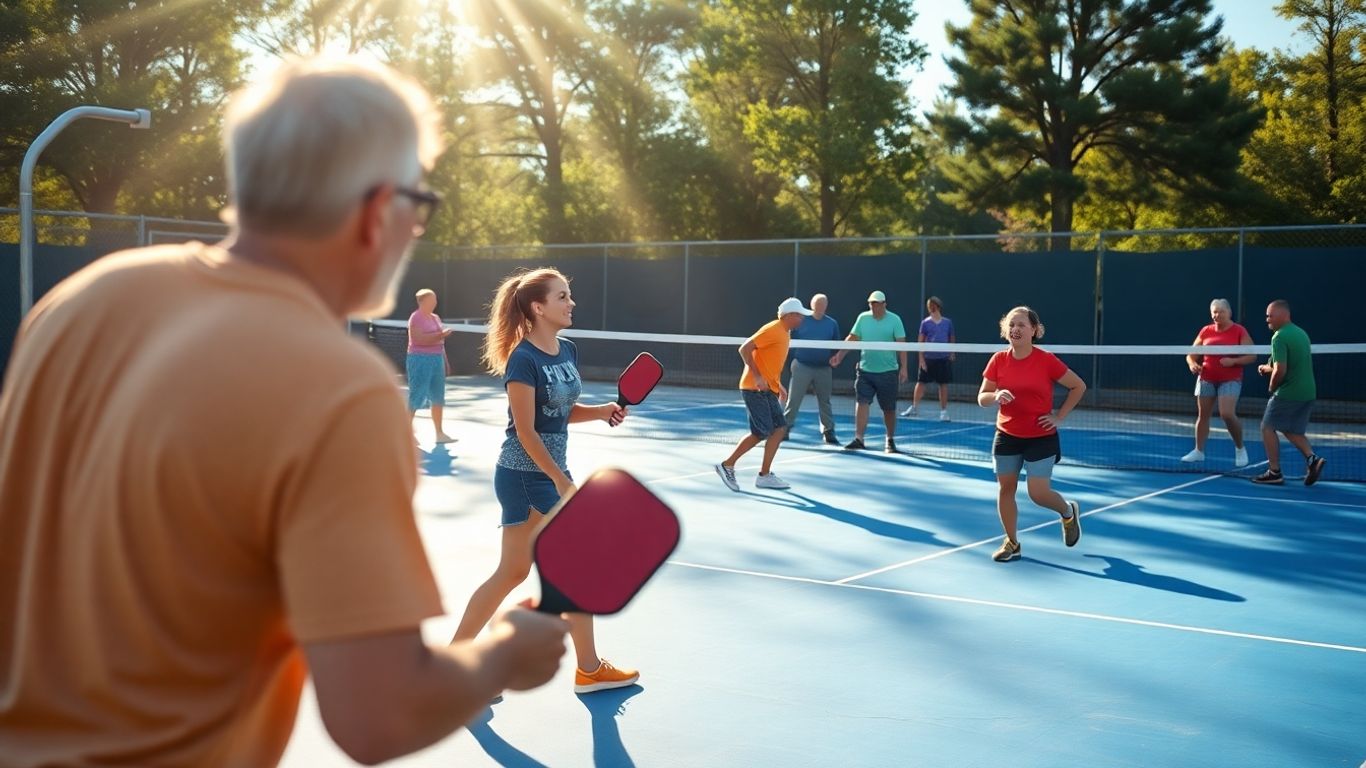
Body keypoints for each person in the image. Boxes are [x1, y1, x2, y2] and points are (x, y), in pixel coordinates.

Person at [0, 57, 571, 767]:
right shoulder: (338, 389)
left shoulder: (76, 303)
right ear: (375, 212)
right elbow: (377, 717)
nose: (412, 233)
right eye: (417, 209)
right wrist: (502, 660)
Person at [450, 268, 641, 693]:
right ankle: (589, 669)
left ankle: (453, 667)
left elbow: (558, 412)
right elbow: (525, 429)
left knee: (511, 572)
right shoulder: (523, 359)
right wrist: (560, 480)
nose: (571, 303)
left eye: (569, 296)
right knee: (576, 570)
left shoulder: (567, 351)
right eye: (562, 297)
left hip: (548, 473)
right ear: (538, 307)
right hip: (525, 474)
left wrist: (601, 409)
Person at [976, 306, 1087, 562]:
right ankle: (1012, 542)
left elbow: (1078, 386)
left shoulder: (1046, 360)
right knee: (1006, 489)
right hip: (1007, 434)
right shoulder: (998, 360)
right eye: (1011, 325)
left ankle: (1068, 512)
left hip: (1041, 435)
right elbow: (982, 397)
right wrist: (995, 396)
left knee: (1038, 493)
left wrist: (1059, 417)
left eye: (1021, 325)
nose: (1015, 329)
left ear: (1034, 330)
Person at [715, 297, 814, 491]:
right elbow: (744, 349)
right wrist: (758, 377)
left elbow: (769, 361)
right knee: (761, 431)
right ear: (790, 315)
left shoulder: (785, 333)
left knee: (779, 428)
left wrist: (778, 385)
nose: (803, 318)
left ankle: (764, 475)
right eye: (800, 315)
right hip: (754, 388)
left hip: (768, 389)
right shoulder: (773, 329)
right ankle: (727, 465)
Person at [1254, 300, 1326, 486]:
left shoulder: (1279, 337)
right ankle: (1313, 460)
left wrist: (1271, 387)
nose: (1267, 319)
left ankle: (1274, 471)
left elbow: (1281, 370)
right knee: (1291, 429)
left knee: (1267, 427)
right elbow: (1289, 364)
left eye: (1270, 315)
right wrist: (1267, 368)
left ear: (1283, 315)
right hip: (1308, 392)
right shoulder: (1301, 333)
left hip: (1289, 392)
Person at [832, 290, 908, 453]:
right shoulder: (863, 318)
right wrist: (839, 355)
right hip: (865, 371)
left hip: (888, 372)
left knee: (889, 408)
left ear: (884, 304)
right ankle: (859, 438)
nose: (874, 306)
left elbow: (902, 345)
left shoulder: (895, 320)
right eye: (871, 304)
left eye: (877, 303)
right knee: (862, 402)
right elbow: (852, 338)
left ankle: (890, 439)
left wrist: (904, 368)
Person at [1181, 298, 1254, 466]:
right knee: (1203, 415)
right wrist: (1193, 364)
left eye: (1221, 311)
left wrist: (1233, 361)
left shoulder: (1239, 331)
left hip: (1230, 379)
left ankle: (1240, 449)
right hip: (1206, 378)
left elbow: (1252, 355)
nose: (1217, 315)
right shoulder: (1206, 331)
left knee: (1227, 414)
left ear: (1229, 312)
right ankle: (1198, 451)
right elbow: (1191, 354)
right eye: (1214, 311)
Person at [782, 292, 842, 445]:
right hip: (802, 366)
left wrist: (834, 358)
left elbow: (836, 345)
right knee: (793, 400)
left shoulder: (832, 324)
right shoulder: (801, 321)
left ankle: (828, 431)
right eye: (818, 304)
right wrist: (794, 361)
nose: (820, 307)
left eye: (823, 304)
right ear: (812, 305)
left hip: (823, 369)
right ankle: (784, 428)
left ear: (826, 306)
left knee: (825, 401)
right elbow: (789, 340)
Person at [408, 287, 456, 443]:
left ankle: (439, 434)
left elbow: (440, 343)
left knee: (438, 396)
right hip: (419, 359)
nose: (435, 302)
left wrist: (445, 362)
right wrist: (441, 334)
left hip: (437, 360)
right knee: (417, 395)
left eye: (435, 299)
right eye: (432, 299)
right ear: (422, 301)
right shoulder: (415, 318)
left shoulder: (435, 317)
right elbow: (419, 339)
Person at [902, 296, 956, 421]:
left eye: (933, 305)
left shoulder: (947, 322)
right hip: (928, 359)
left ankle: (943, 412)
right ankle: (914, 408)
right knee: (921, 383)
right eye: (929, 306)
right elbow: (920, 341)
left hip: (943, 359)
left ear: (938, 306)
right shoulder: (925, 323)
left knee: (943, 384)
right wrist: (921, 359)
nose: (931, 308)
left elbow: (951, 337)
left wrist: (952, 352)